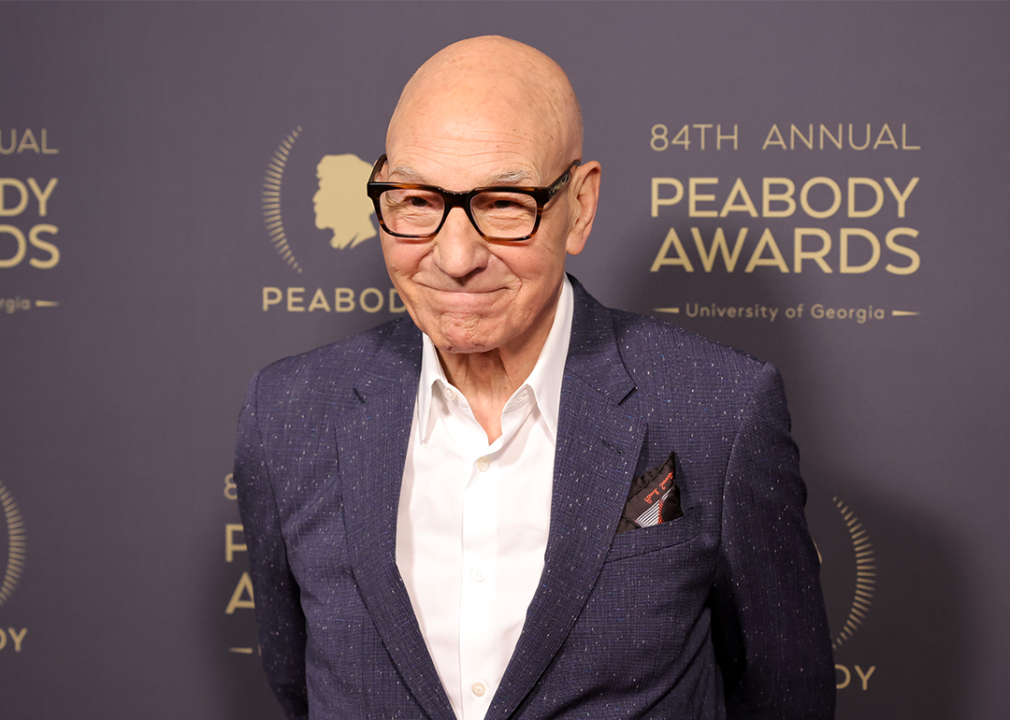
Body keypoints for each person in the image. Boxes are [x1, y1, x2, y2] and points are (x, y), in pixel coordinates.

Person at [234, 35, 834, 720]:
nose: (455, 256)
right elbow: (294, 680)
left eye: (503, 204)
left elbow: (787, 694)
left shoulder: (718, 411)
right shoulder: (287, 415)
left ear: (578, 206)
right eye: (416, 200)